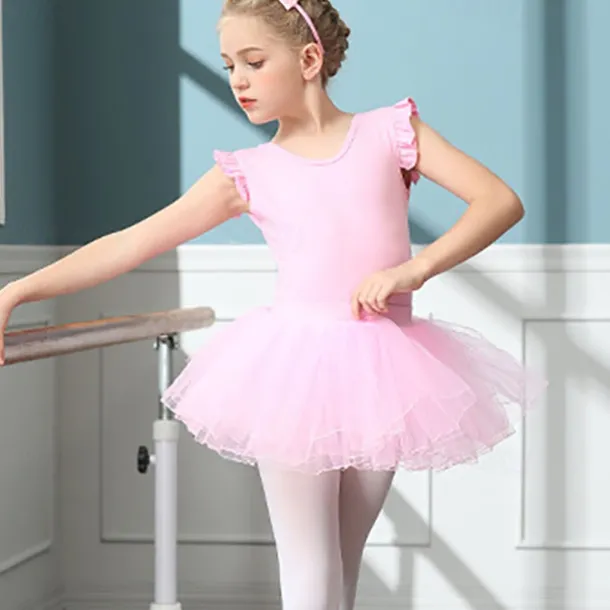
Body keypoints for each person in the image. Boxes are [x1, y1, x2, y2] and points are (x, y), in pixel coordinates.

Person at [0, 1, 546, 608]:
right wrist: (17, 290)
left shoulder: (390, 133)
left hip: (386, 372)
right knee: (309, 569)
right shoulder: (248, 173)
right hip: (294, 376)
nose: (238, 80)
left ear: (309, 59)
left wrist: (413, 269)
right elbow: (131, 243)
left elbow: (498, 200)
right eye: (229, 65)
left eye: (254, 62)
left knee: (343, 568)